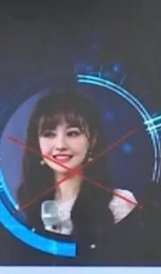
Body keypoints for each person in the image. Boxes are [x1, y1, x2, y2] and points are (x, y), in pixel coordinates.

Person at [16, 88, 137, 245]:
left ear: (92, 140)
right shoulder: (25, 209)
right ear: (37, 143)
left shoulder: (119, 204)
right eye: (49, 134)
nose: (60, 145)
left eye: (72, 133)